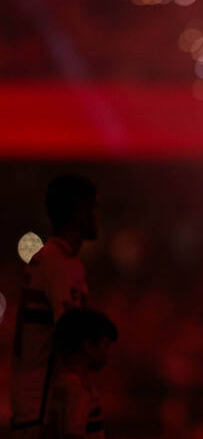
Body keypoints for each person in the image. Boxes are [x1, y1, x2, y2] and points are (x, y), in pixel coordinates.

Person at [11, 175, 98, 437]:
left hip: (31, 402)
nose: (97, 216)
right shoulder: (61, 264)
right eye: (94, 208)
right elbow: (71, 337)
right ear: (80, 212)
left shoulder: (46, 259)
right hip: (45, 408)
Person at [41, 308, 117, 439]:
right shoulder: (78, 389)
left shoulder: (60, 384)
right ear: (88, 346)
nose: (107, 354)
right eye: (105, 346)